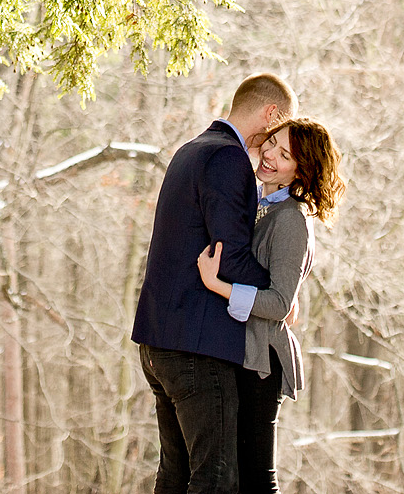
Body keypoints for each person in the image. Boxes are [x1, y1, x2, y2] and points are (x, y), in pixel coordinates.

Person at [131, 74, 295, 494]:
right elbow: (231, 256)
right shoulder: (228, 159)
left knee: (176, 475)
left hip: (159, 341)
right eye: (276, 130)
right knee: (216, 478)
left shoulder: (191, 150)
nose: (272, 144)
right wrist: (276, 295)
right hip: (197, 347)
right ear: (271, 113)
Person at [197, 119, 345, 494]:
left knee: (258, 478)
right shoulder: (263, 205)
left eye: (285, 155)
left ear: (301, 170)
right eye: (273, 143)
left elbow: (279, 303)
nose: (270, 156)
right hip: (245, 354)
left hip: (264, 361)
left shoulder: (292, 219)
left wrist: (219, 286)